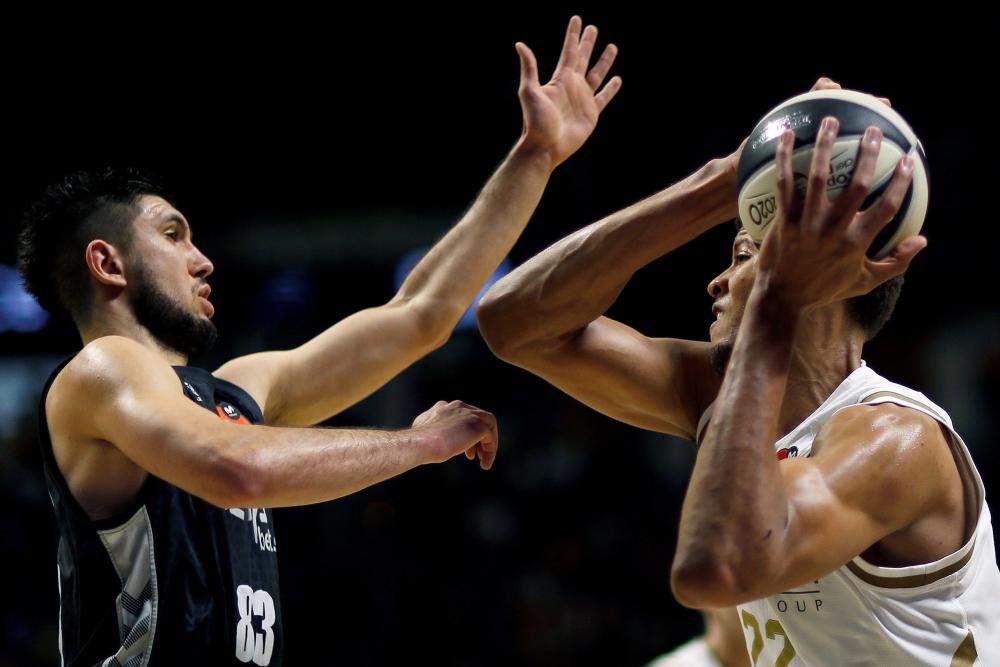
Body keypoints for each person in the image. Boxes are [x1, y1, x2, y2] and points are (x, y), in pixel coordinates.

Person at [17, 16, 621, 666]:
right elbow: (237, 468)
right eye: (173, 235)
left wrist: (535, 157)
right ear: (108, 263)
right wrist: (420, 444)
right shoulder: (100, 369)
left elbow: (420, 313)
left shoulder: (234, 394)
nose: (203, 259)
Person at [477, 78, 1000, 665]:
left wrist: (776, 302)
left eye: (746, 255)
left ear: (820, 284)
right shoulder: (716, 392)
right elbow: (513, 322)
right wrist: (728, 179)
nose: (715, 282)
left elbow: (717, 568)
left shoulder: (897, 441)